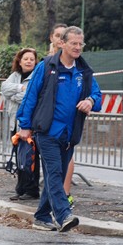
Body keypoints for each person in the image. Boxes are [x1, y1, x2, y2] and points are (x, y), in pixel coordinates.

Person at [17, 26, 101, 232]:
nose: (78, 47)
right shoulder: (46, 67)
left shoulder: (84, 71)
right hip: (47, 131)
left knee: (59, 174)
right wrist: (24, 125)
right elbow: (31, 97)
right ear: (62, 43)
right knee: (54, 172)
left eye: (81, 44)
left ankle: (41, 216)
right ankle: (63, 214)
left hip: (70, 133)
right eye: (74, 43)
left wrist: (90, 100)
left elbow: (98, 96)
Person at [1, 48, 40, 200]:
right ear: (20, 61)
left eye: (32, 59)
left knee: (30, 158)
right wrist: (20, 88)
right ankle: (21, 189)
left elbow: (31, 96)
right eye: (26, 59)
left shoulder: (37, 76)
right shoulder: (15, 76)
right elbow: (4, 88)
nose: (29, 61)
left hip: (29, 124)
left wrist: (16, 95)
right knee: (19, 157)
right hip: (15, 124)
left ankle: (32, 190)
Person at [48, 23, 75, 208]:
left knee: (62, 162)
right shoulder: (47, 62)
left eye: (62, 36)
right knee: (52, 167)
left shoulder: (75, 63)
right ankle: (52, 205)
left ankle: (64, 196)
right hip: (47, 123)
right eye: (57, 35)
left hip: (66, 125)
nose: (59, 39)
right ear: (52, 38)